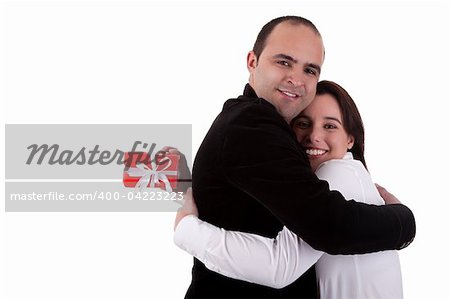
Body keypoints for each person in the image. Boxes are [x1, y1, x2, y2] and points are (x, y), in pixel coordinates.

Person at [181, 15, 415, 298]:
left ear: (350, 138)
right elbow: (328, 228)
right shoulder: (252, 125)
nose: (296, 79)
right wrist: (404, 221)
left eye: (310, 70)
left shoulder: (267, 130)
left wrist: (189, 232)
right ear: (252, 62)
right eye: (284, 62)